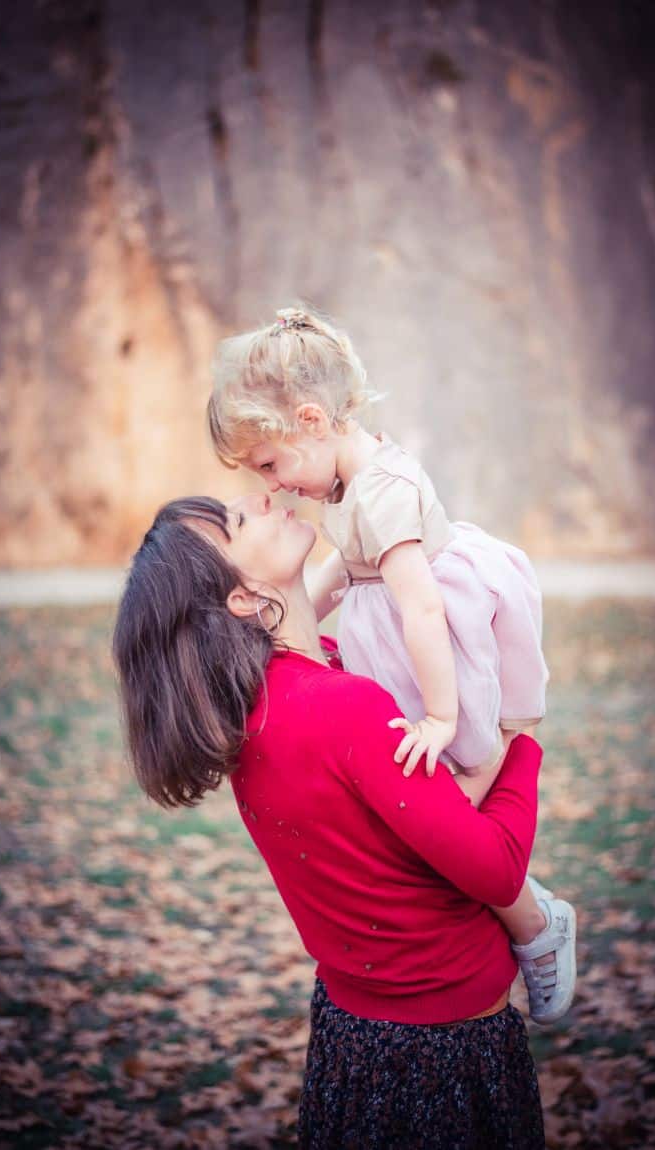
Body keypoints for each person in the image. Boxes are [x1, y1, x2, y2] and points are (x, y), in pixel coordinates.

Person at [112, 493, 546, 1148]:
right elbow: (497, 866)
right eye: (238, 520)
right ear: (242, 597)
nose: (259, 499)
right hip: (442, 1053)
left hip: (351, 1036)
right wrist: (521, 734)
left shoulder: (260, 705)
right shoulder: (342, 710)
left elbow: (306, 637)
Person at [205, 306, 576, 1024]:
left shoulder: (382, 489)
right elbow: (342, 574)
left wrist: (441, 715)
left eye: (271, 464)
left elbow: (424, 609)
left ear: (312, 419)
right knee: (422, 801)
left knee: (461, 771)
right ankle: (525, 918)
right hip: (403, 630)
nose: (274, 486)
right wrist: (280, 639)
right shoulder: (345, 485)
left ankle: (537, 922)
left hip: (438, 630)